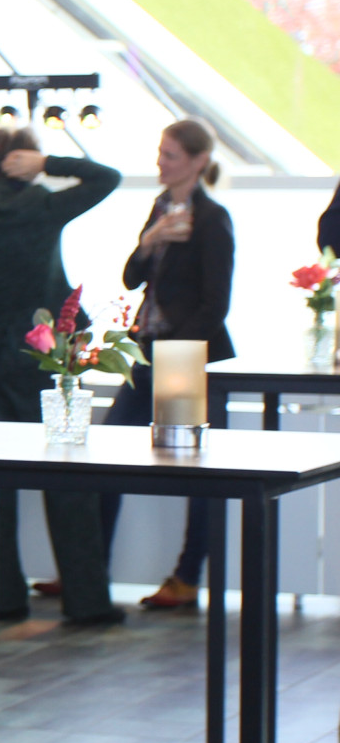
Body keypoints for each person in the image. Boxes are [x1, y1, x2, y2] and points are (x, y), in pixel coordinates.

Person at [0, 128, 122, 625]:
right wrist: (48, 163)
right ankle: (87, 602)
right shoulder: (44, 207)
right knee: (66, 476)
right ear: (23, 161)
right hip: (44, 358)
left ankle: (2, 597)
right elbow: (107, 177)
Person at [101, 120, 234, 610]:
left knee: (195, 470)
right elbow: (132, 277)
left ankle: (186, 575)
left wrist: (178, 355)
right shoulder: (159, 209)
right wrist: (151, 239)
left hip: (186, 355)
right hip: (148, 349)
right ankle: (90, 570)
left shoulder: (213, 219)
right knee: (109, 451)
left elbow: (215, 305)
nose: (161, 163)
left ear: (198, 162)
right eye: (161, 152)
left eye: (171, 155)